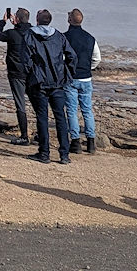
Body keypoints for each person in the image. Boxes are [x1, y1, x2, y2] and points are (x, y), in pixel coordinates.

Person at [26, 9, 74, 163]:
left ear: (37, 20)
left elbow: (25, 60)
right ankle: (64, 154)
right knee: (60, 117)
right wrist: (67, 74)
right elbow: (72, 56)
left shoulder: (29, 35)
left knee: (42, 117)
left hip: (39, 83)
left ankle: (44, 153)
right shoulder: (59, 36)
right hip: (57, 83)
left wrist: (31, 75)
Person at [64, 9, 101, 155]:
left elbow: (61, 58)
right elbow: (97, 58)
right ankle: (91, 142)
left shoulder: (64, 37)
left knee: (72, 110)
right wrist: (87, 68)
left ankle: (76, 142)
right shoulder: (90, 38)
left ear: (70, 20)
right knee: (87, 110)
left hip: (71, 78)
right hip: (86, 78)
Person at [0, 8, 34, 146]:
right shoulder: (34, 32)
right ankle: (41, 135)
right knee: (37, 104)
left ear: (16, 19)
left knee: (20, 104)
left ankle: (24, 136)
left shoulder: (12, 33)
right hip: (32, 73)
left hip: (16, 73)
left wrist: (3, 21)